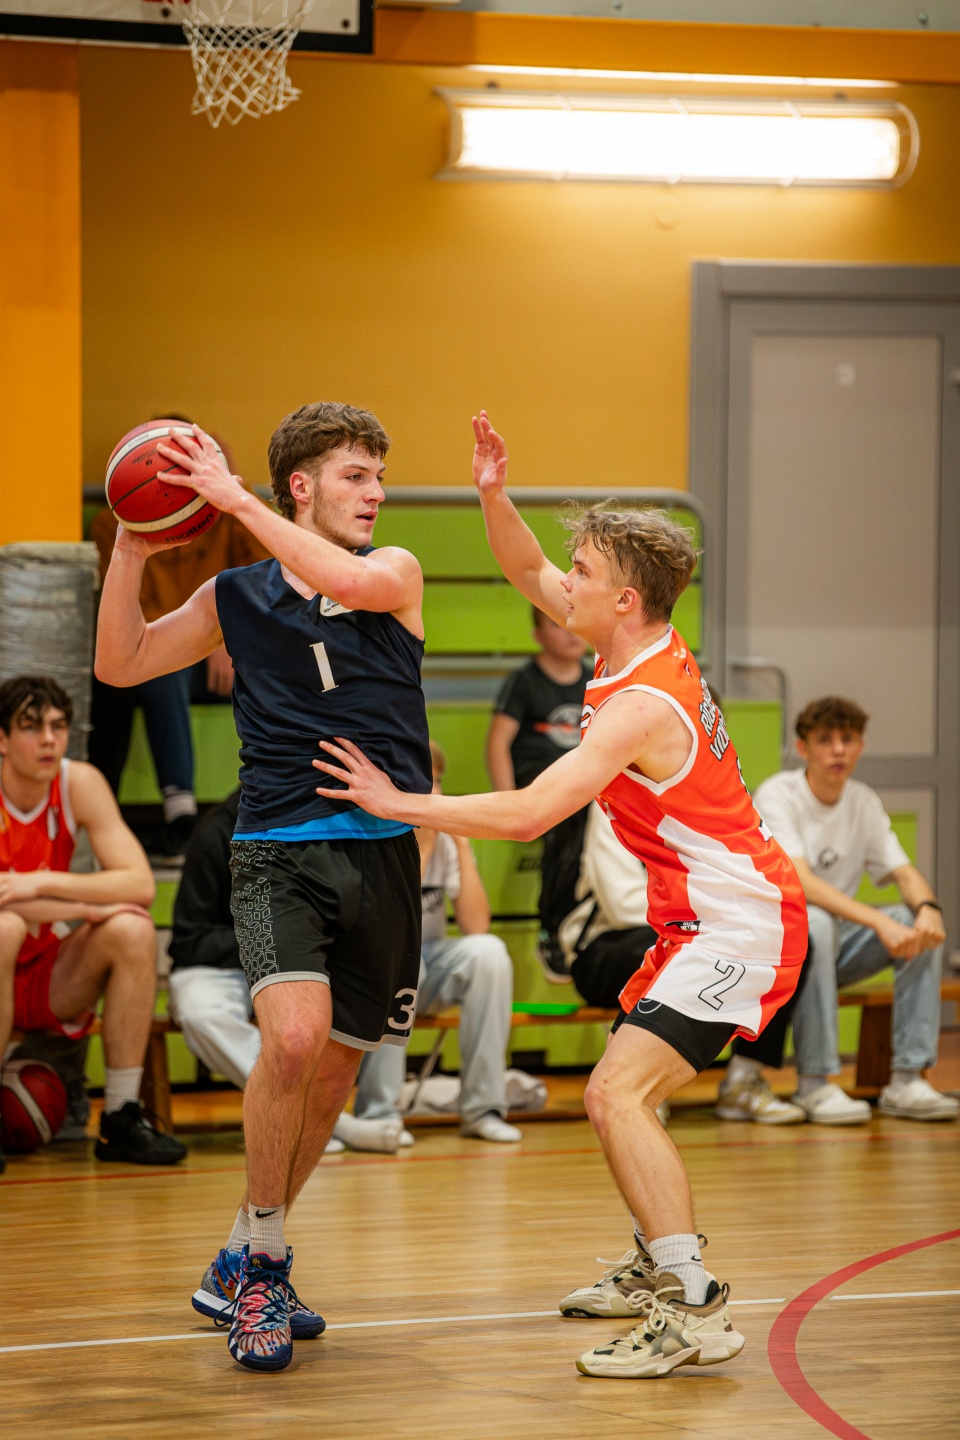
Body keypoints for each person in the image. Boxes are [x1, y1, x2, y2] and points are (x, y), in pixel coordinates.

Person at [314, 411, 807, 1381]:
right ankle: (659, 1261)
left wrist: (399, 800)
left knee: (616, 1093)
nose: (560, 583)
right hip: (697, 921)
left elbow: (532, 812)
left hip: (740, 924)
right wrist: (493, 493)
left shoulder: (638, 706)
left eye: (579, 573)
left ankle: (691, 1303)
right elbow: (522, 567)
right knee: (626, 1094)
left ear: (623, 598)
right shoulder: (625, 641)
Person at [95, 402, 432, 1375]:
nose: (375, 493)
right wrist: (131, 547)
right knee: (289, 1039)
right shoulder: (235, 596)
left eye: (379, 476)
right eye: (356, 475)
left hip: (385, 854)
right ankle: (269, 1267)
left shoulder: (395, 571)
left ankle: (240, 1254)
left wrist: (232, 500)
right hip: (277, 844)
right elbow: (119, 661)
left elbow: (345, 581)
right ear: (302, 484)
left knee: (333, 1075)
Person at [0, 675, 186, 1172]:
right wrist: (82, 907)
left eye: (58, 726)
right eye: (31, 727)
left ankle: (122, 1115)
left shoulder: (77, 782)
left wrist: (40, 884)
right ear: (2, 739)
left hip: (45, 976)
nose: (48, 740)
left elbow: (139, 883)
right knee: (5, 928)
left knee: (133, 928)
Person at [755, 696, 958, 1125]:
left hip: (834, 946)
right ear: (803, 747)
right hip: (782, 950)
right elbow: (802, 883)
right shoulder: (778, 793)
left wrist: (929, 908)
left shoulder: (862, 800)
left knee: (916, 925)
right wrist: (878, 920)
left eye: (847, 739)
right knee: (818, 922)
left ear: (861, 746)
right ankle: (814, 1083)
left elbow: (904, 872)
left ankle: (908, 1079)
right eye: (825, 739)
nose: (838, 750)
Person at [168, 788, 403, 1155]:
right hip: (224, 966)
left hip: (305, 962)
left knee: (383, 972)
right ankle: (318, 1121)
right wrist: (273, 945)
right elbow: (190, 940)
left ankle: (377, 1112)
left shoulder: (332, 823)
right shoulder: (216, 830)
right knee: (200, 1012)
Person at [90, 421, 269, 858]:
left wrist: (229, 638)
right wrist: (210, 634)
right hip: (172, 659)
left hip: (233, 660)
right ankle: (180, 810)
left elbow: (272, 580)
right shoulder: (115, 525)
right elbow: (135, 626)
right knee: (157, 671)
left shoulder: (229, 512)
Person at [352, 739, 521, 1145]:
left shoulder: (445, 841)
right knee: (403, 958)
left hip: (429, 968)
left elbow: (476, 926)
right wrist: (423, 847)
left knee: (490, 954)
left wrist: (461, 843)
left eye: (439, 781)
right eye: (424, 781)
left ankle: (483, 1108)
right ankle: (380, 1113)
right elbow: (390, 923)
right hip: (373, 973)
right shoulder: (371, 835)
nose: (434, 790)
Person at [486, 606, 591, 791]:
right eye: (557, 624)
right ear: (538, 636)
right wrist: (508, 799)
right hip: (532, 795)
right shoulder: (524, 681)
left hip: (585, 796)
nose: (571, 632)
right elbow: (498, 745)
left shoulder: (598, 681)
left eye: (577, 622)